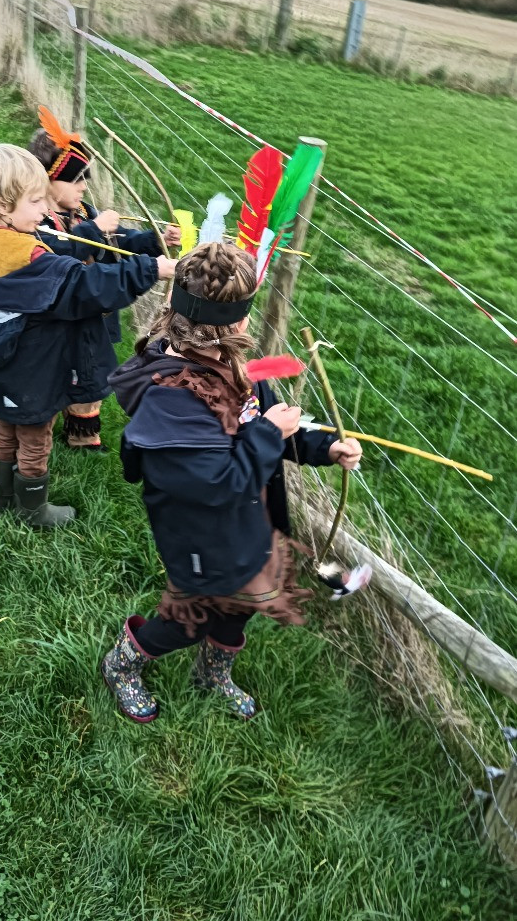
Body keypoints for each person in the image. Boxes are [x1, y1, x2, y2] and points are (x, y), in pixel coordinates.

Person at [102, 241, 363, 722]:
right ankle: (122, 664)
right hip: (201, 534)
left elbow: (267, 425)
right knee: (188, 618)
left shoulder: (237, 366)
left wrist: (323, 447)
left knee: (241, 604)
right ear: (238, 320)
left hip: (248, 523)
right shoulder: (171, 400)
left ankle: (212, 675)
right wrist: (269, 432)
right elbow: (217, 484)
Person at [0, 143, 175, 528]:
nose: (45, 210)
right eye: (35, 202)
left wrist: (138, 247)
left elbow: (66, 256)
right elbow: (87, 286)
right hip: (33, 368)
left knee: (5, 424)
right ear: (2, 206)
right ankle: (33, 510)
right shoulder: (31, 258)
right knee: (35, 436)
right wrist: (151, 269)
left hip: (2, 366)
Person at [27, 107, 180, 452]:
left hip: (91, 315)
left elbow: (119, 242)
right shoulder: (39, 222)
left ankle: (82, 437)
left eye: (86, 178)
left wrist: (156, 239)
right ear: (47, 182)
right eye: (76, 179)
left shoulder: (82, 212)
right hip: (60, 318)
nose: (84, 186)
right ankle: (45, 435)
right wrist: (94, 229)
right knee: (63, 375)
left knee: (91, 374)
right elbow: (59, 252)